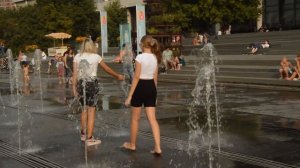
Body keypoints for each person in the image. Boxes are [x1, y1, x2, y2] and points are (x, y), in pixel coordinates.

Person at [72, 38, 124, 146]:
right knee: (91, 111)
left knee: (84, 109)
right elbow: (107, 69)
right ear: (92, 46)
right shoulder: (96, 57)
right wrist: (117, 76)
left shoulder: (77, 56)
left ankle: (83, 134)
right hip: (91, 84)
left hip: (81, 84)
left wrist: (74, 88)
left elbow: (75, 74)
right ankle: (90, 139)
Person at [122, 35, 162, 155]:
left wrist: (129, 96)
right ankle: (158, 147)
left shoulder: (139, 57)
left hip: (140, 87)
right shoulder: (155, 58)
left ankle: (132, 144)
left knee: (135, 119)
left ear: (142, 45)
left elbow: (137, 77)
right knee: (152, 119)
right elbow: (155, 78)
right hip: (151, 87)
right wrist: (155, 94)